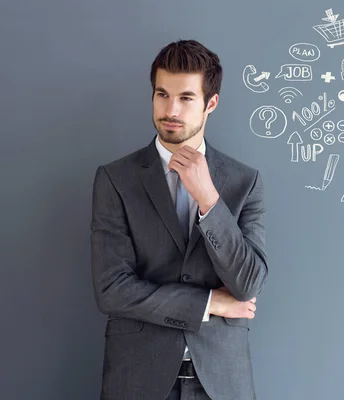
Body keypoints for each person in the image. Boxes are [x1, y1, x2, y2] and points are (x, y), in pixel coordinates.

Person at [90, 39, 268, 400]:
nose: (170, 109)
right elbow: (112, 291)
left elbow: (248, 283)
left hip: (222, 381)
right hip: (138, 378)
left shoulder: (244, 182)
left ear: (210, 103)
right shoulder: (115, 178)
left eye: (186, 97)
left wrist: (209, 199)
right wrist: (210, 303)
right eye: (161, 94)